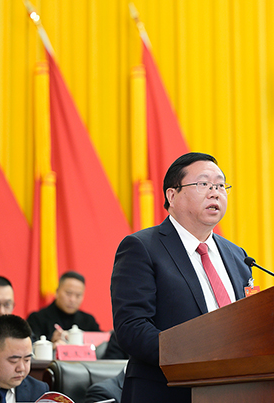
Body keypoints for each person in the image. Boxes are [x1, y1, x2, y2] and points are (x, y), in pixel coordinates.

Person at [111, 152, 252, 403]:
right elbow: (132, 328)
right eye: (204, 184)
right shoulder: (142, 247)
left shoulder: (237, 255)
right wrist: (199, 357)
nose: (215, 193)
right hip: (165, 391)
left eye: (221, 185)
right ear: (172, 195)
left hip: (233, 390)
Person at [27, 271, 100, 347]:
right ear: (57, 292)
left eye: (78, 295)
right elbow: (30, 347)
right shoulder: (37, 319)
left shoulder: (88, 321)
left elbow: (101, 345)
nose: (72, 299)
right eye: (68, 293)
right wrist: (50, 344)